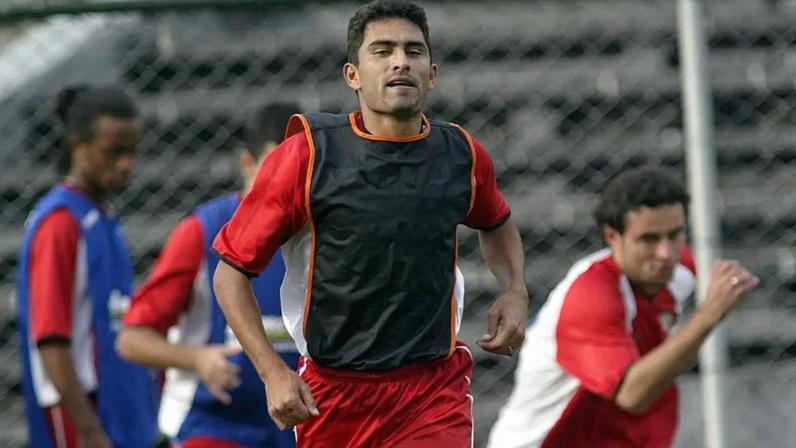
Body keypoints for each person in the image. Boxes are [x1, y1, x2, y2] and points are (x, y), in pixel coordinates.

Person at [211, 1, 529, 446]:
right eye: (382, 51)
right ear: (352, 75)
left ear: (432, 74)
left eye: (413, 51)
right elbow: (229, 277)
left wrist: (514, 288)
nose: (401, 61)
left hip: (432, 389)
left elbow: (496, 222)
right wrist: (272, 372)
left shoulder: (462, 154)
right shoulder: (305, 157)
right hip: (334, 393)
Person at [487, 166, 759, 448]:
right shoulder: (592, 294)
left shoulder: (677, 269)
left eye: (675, 234)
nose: (665, 253)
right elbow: (631, 394)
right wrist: (708, 315)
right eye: (649, 239)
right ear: (612, 236)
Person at [116, 102, 301, 448]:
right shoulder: (203, 232)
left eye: (298, 169)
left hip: (296, 430)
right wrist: (197, 358)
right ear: (247, 163)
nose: (286, 182)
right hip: (213, 426)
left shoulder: (319, 236)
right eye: (275, 166)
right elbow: (131, 339)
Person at [16, 85, 157, 448]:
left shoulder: (104, 215)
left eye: (132, 152)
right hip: (82, 415)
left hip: (116, 407)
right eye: (113, 152)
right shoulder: (61, 223)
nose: (125, 163)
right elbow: (51, 341)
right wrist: (89, 430)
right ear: (78, 146)